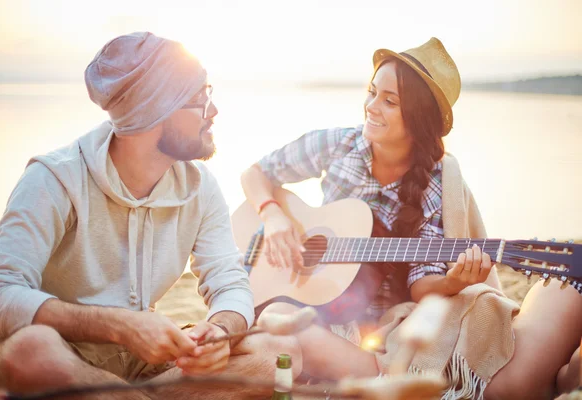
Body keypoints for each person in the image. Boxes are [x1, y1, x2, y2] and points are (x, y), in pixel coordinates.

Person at [240, 37, 582, 399]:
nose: (371, 107)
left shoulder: (435, 185)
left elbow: (422, 285)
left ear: (418, 119)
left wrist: (454, 281)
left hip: (392, 325)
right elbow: (256, 173)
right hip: (325, 307)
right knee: (275, 316)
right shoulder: (338, 144)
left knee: (509, 385)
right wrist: (273, 215)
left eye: (389, 101)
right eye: (372, 92)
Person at [0, 32, 299, 400]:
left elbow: (230, 281)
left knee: (276, 351)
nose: (212, 111)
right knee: (26, 352)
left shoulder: (201, 186)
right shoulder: (54, 178)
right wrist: (119, 326)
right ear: (153, 111)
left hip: (147, 365)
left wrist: (220, 329)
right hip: (64, 353)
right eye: (199, 98)